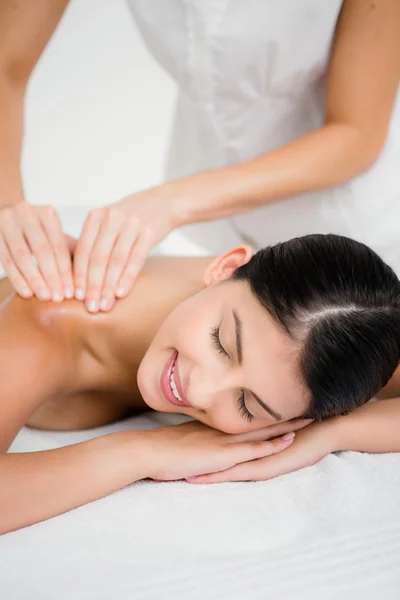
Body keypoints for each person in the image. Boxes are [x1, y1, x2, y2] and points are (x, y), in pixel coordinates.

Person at [0, 1, 399, 316]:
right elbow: (6, 62)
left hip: (346, 217)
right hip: (207, 220)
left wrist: (170, 202)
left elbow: (355, 133)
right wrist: (8, 203)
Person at [2, 233, 400, 534]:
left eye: (247, 404)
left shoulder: (328, 338)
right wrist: (145, 450)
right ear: (225, 268)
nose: (199, 391)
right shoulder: (49, 319)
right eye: (221, 343)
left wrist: (332, 433)